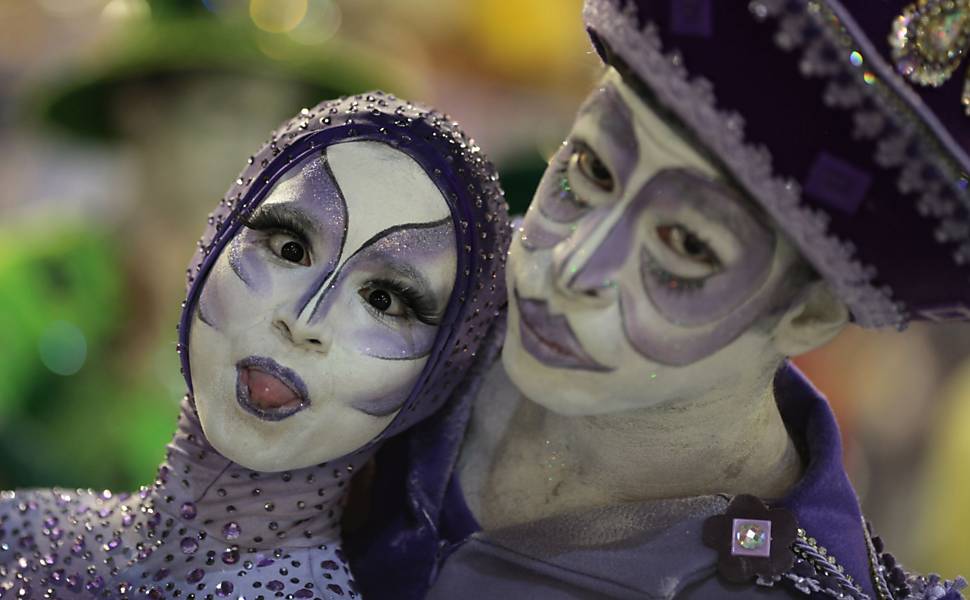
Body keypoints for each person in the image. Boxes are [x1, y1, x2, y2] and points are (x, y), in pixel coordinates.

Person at [349, 1, 970, 599]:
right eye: (593, 167)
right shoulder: (399, 279)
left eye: (686, 244)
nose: (570, 266)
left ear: (807, 317)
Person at [0, 91, 510, 599]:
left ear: (437, 377)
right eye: (290, 247)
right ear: (216, 241)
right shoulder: (21, 531)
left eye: (382, 299)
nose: (303, 319)